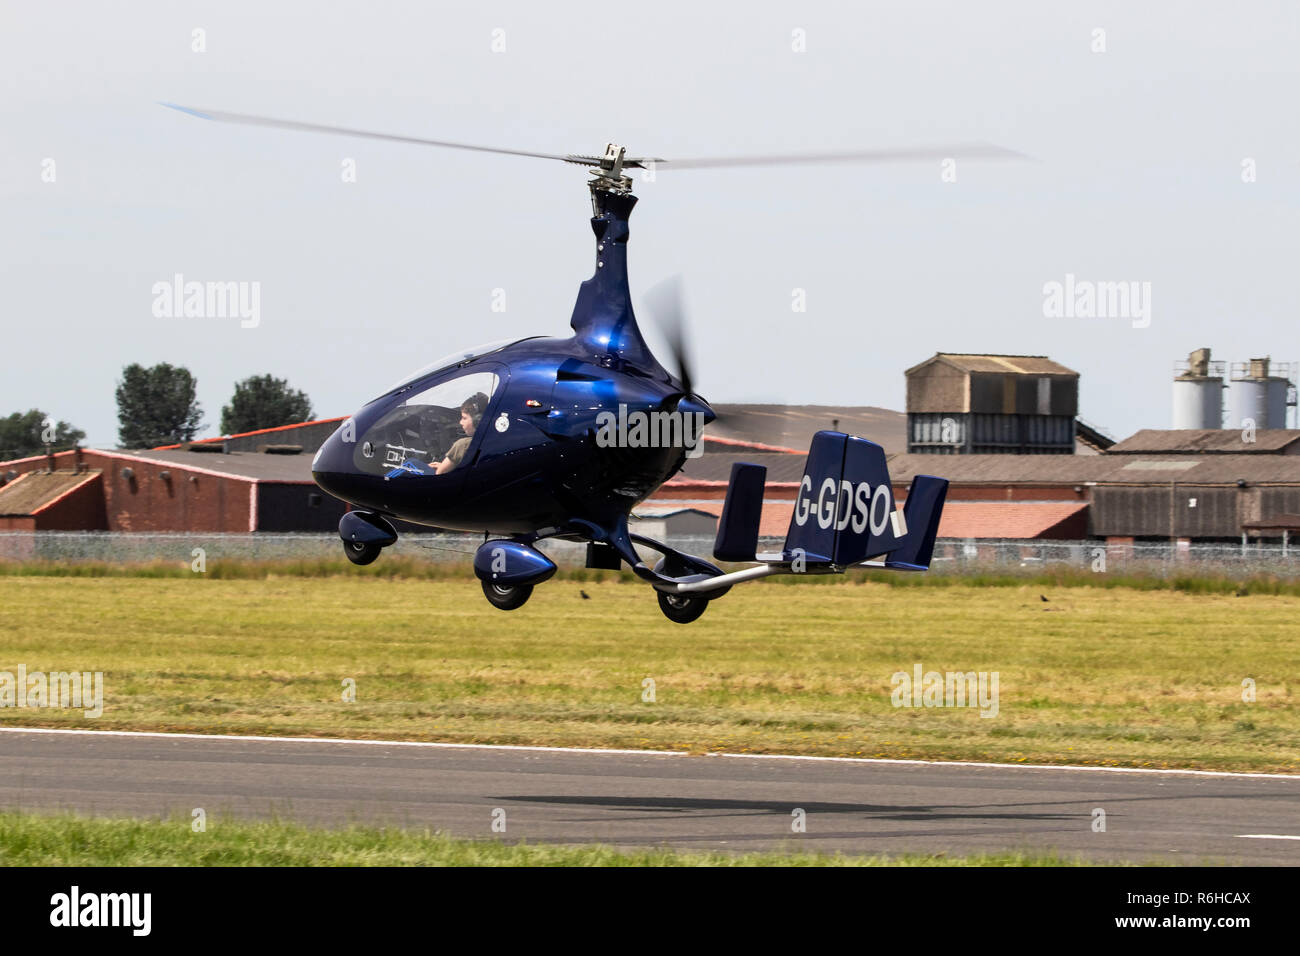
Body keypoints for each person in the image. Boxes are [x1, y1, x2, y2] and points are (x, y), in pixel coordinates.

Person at [434, 392, 489, 475]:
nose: (460, 422)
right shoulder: (492, 439)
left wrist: (443, 467)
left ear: (478, 421)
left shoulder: (463, 445)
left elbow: (439, 474)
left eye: (464, 418)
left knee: (412, 463)